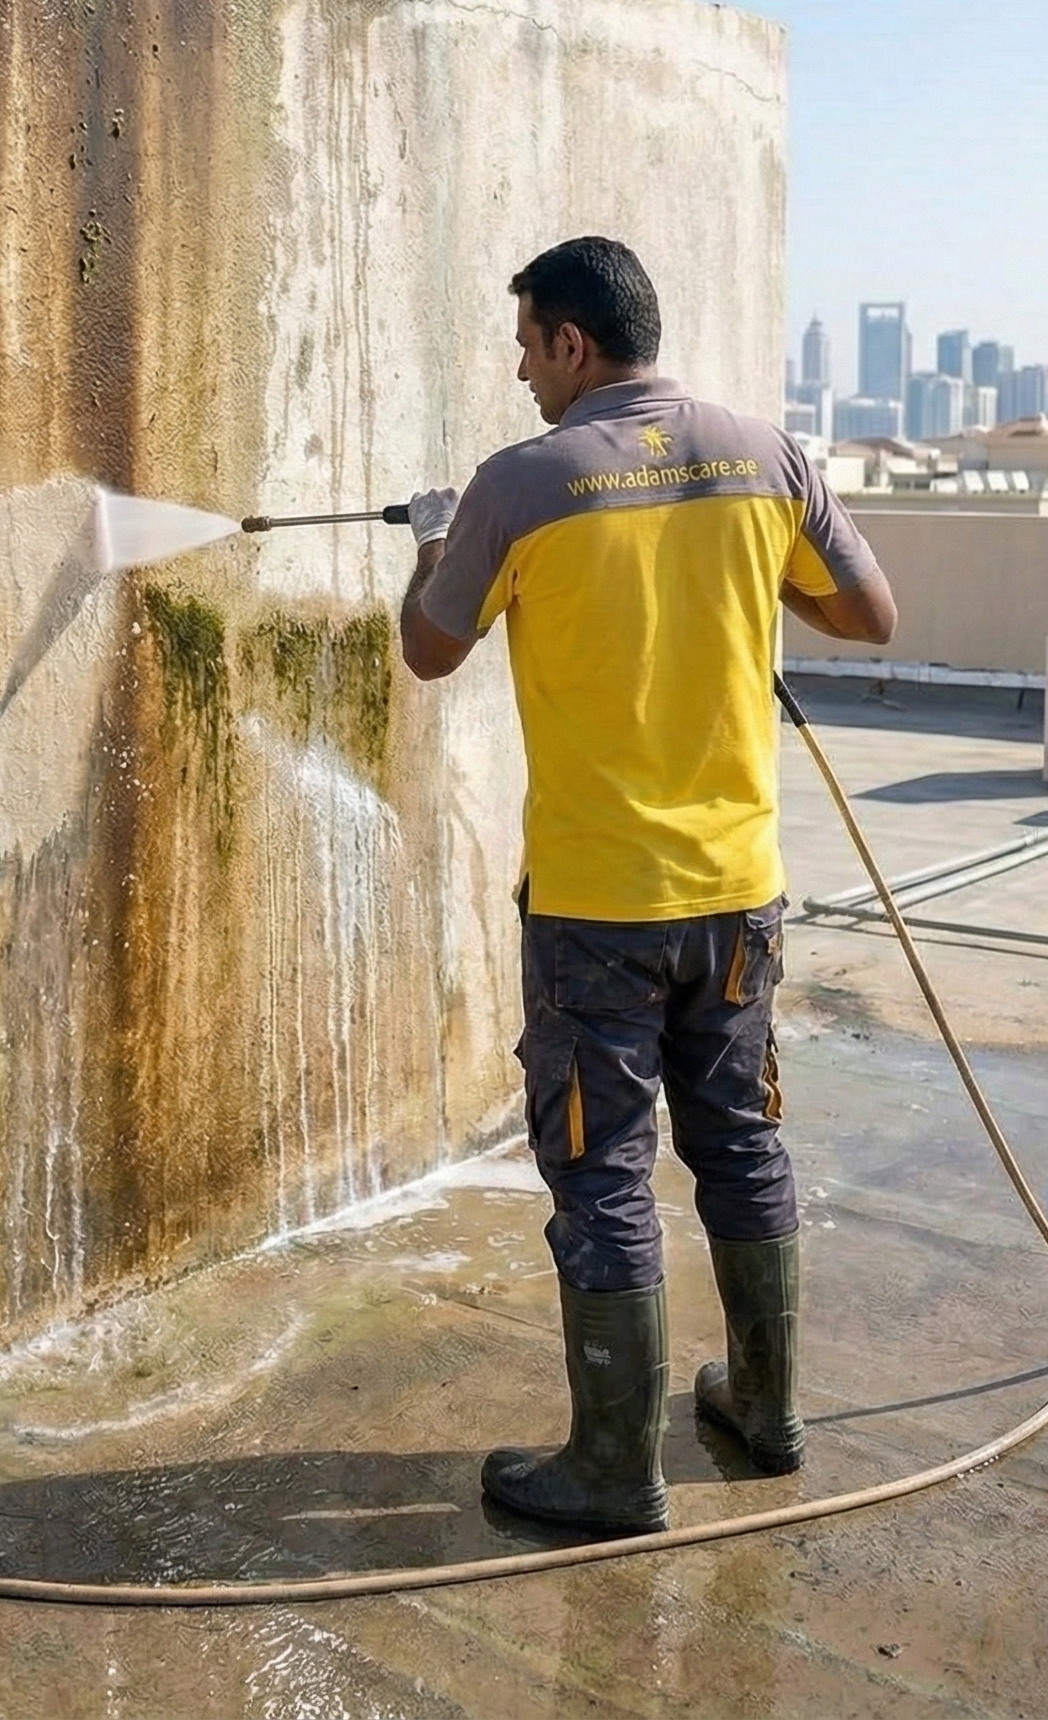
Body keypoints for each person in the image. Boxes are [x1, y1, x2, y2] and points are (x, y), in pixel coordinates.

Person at [398, 236, 896, 1534]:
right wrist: (758, 582)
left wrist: (435, 541)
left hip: (598, 908)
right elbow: (868, 615)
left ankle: (618, 1470)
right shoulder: (769, 455)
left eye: (526, 345)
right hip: (738, 894)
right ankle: (769, 1410)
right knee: (739, 1138)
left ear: (574, 341)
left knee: (602, 1170)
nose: (520, 371)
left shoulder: (520, 483)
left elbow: (430, 650)